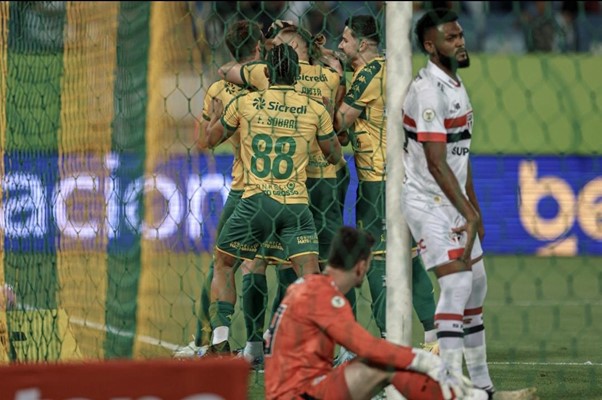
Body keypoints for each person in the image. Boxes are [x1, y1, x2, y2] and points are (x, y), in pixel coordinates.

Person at [402, 8, 522, 399]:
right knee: (456, 286)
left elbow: (459, 155)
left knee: (477, 288)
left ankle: (482, 386)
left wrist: (474, 206)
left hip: (453, 199)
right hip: (428, 200)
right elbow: (436, 164)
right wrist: (467, 211)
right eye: (451, 38)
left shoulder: (454, 84)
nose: (461, 42)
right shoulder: (428, 92)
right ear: (430, 45)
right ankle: (450, 387)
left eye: (461, 35)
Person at [204, 43, 342, 354]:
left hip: (255, 203)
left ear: (266, 72)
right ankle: (320, 347)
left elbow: (211, 140)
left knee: (225, 264)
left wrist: (214, 117)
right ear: (296, 74)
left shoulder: (246, 102)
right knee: (311, 277)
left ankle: (220, 342)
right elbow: (334, 155)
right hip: (296, 205)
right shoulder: (314, 108)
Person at [264, 225, 493, 400]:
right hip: (300, 393)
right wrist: (420, 359)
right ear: (361, 266)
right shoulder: (324, 296)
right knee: (384, 363)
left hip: (291, 388)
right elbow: (365, 346)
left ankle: (462, 396)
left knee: (381, 359)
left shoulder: (306, 285)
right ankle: (462, 397)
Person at [334, 15, 439, 351]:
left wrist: (330, 82)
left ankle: (386, 340)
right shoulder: (394, 68)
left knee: (377, 258)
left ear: (363, 45)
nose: (340, 44)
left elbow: (338, 123)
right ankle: (435, 334)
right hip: (406, 175)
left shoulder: (368, 73)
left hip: (379, 181)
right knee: (408, 257)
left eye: (346, 39)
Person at [173, 19, 267, 359]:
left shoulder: (218, 89)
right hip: (289, 188)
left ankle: (208, 340)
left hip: (244, 188)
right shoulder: (272, 83)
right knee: (276, 267)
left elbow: (203, 142)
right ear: (259, 48)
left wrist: (215, 120)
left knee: (222, 263)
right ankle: (261, 344)